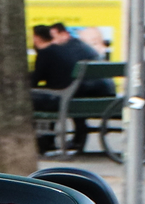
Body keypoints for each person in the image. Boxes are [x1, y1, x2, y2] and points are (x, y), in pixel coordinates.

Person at [29, 21, 105, 152]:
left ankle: (44, 142)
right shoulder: (67, 49)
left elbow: (35, 80)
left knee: (35, 99)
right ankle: (52, 142)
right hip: (86, 92)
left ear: (36, 38)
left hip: (69, 95)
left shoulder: (46, 52)